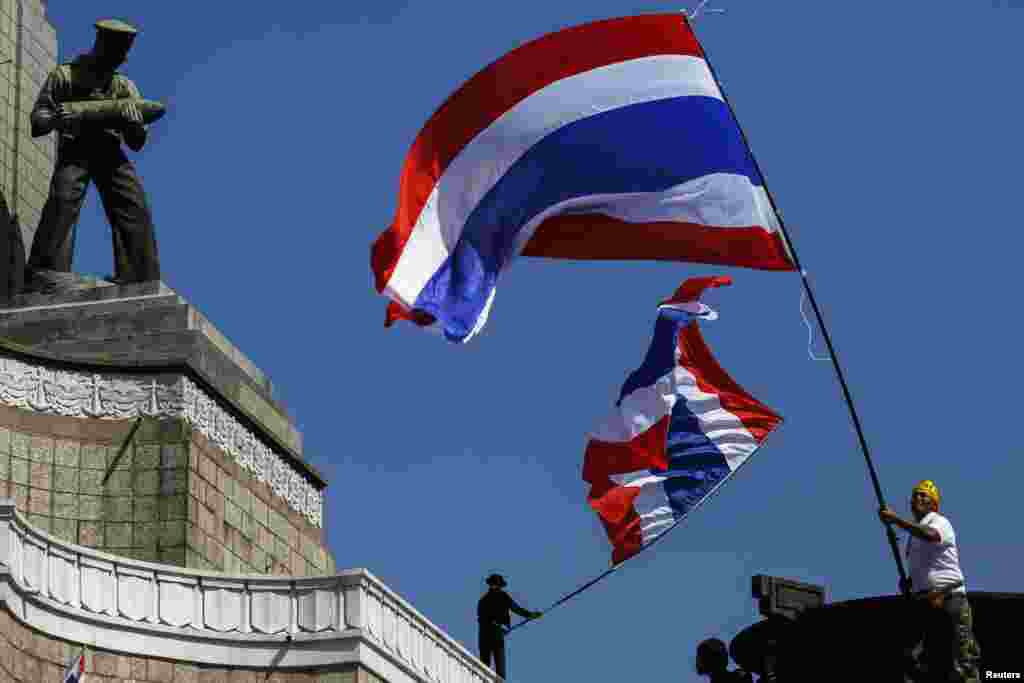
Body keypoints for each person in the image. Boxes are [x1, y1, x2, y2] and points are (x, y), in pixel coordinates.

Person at [27, 18, 160, 288]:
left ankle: (138, 274)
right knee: (63, 200)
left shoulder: (124, 86)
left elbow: (136, 142)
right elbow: (38, 118)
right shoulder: (64, 75)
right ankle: (46, 269)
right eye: (117, 55)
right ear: (101, 46)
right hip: (76, 147)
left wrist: (134, 126)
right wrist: (55, 120)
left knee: (133, 205)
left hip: (110, 150)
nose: (121, 62)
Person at [879, 480, 981, 683]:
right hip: (925, 600)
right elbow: (923, 566)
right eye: (915, 495)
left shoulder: (939, 521)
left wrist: (895, 520)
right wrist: (910, 582)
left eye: (923, 495)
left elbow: (931, 535)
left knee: (962, 659)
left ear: (934, 504)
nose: (917, 498)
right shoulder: (914, 536)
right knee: (915, 659)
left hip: (950, 597)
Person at [477, 574, 541, 679]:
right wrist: (500, 627)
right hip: (490, 634)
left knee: (491, 666)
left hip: (488, 634)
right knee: (490, 666)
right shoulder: (491, 599)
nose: (497, 587)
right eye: (496, 585)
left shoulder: (489, 599)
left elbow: (516, 608)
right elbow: (483, 620)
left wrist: (530, 615)